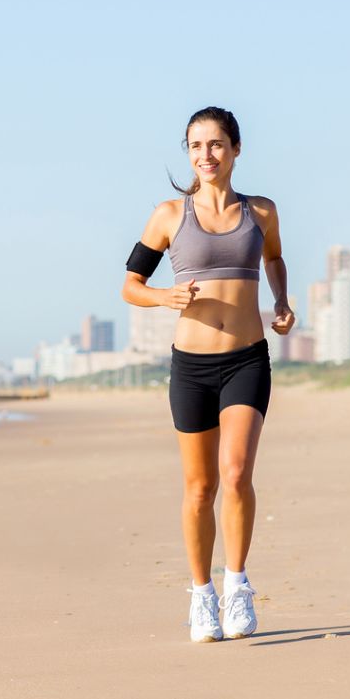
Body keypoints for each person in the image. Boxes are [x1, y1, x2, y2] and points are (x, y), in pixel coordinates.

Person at [121, 107, 295, 642]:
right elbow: (130, 284)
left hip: (247, 357)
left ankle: (237, 585)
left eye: (216, 145)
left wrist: (282, 302)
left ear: (236, 150)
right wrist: (163, 297)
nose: (206, 156)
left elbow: (274, 259)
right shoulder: (169, 216)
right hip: (191, 367)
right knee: (200, 488)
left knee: (237, 474)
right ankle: (201, 596)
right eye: (196, 146)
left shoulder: (261, 211)